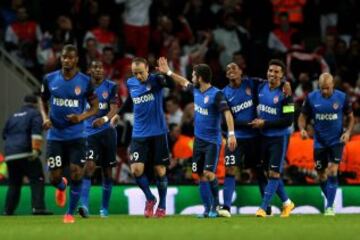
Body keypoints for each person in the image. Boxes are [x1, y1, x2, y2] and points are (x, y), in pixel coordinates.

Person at [157, 57, 237, 218]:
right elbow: (182, 81)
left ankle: (216, 206)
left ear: (200, 78)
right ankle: (207, 209)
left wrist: (231, 134)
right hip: (198, 141)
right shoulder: (195, 89)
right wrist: (168, 72)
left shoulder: (217, 94)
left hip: (212, 142)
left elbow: (227, 113)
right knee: (200, 175)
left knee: (209, 174)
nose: (192, 78)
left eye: (194, 75)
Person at [40, 44, 99, 223]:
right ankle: (61, 186)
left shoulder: (85, 81)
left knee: (76, 173)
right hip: (55, 136)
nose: (66, 60)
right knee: (54, 177)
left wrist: (81, 117)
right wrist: (45, 117)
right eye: (64, 57)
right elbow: (42, 100)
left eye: (70, 57)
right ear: (61, 58)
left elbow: (95, 107)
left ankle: (69, 213)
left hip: (77, 136)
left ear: (76, 60)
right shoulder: (49, 79)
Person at [113, 57, 170, 218]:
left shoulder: (156, 80)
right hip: (139, 134)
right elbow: (131, 100)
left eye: (141, 73)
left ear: (147, 69)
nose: (138, 76)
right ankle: (150, 198)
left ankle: (163, 205)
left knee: (159, 170)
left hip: (158, 132)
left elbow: (169, 84)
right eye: (135, 73)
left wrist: (167, 74)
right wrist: (119, 114)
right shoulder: (131, 83)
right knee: (136, 170)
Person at [298, 73, 354, 216]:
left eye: (327, 88)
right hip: (319, 142)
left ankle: (329, 207)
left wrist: (347, 132)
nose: (324, 91)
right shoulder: (311, 98)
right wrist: (302, 129)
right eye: (322, 88)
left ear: (333, 85)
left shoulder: (342, 97)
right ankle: (331, 199)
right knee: (321, 175)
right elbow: (302, 116)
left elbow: (351, 117)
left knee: (333, 170)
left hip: (336, 141)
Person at [251, 59, 295, 218]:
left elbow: (288, 120)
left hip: (278, 138)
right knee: (265, 172)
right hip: (262, 137)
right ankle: (287, 203)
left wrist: (265, 123)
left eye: (277, 72)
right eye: (271, 71)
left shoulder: (286, 93)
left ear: (282, 75)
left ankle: (263, 208)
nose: (272, 74)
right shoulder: (261, 86)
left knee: (274, 173)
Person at [78, 60, 119, 218]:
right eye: (95, 67)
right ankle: (85, 207)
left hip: (108, 133)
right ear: (89, 70)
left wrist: (104, 119)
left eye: (101, 67)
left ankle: (104, 209)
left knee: (108, 173)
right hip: (89, 134)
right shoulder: (83, 87)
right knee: (89, 168)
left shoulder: (111, 86)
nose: (98, 70)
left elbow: (114, 108)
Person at [2, 95, 52, 216]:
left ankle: (8, 211)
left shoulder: (13, 116)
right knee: (37, 179)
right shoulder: (35, 114)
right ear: (35, 104)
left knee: (14, 183)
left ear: (24, 103)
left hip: (10, 155)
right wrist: (35, 150)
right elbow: (36, 131)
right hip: (26, 153)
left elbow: (4, 134)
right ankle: (38, 208)